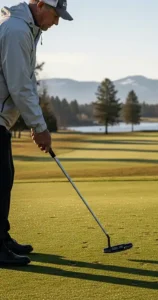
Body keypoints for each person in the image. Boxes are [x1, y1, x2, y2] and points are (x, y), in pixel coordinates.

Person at [0, 0, 73, 266]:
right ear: (40, 5)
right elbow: (19, 87)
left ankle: (2, 238)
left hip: (2, 121)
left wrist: (35, 123)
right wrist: (39, 126)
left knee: (4, 179)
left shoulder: (26, 29)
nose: (56, 22)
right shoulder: (17, 31)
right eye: (55, 15)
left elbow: (27, 82)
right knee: (0, 181)